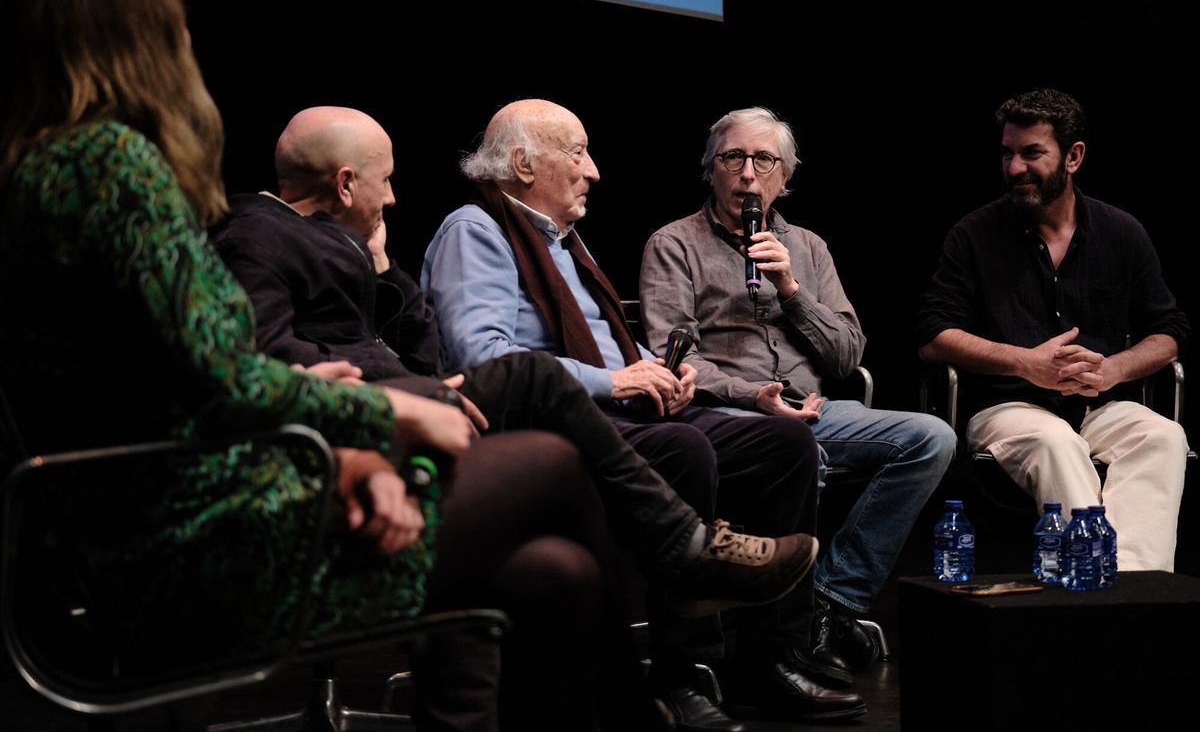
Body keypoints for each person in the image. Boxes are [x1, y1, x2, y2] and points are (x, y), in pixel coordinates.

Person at [0, 0, 646, 729]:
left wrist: (329, 417)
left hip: (164, 515)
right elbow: (222, 379)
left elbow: (167, 375)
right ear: (144, 36)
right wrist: (382, 417)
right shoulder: (112, 165)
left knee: (557, 574)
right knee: (550, 460)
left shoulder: (40, 169)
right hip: (204, 542)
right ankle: (651, 675)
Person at [210, 106, 818, 609]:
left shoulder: (350, 246)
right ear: (345, 183)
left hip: (425, 399)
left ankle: (761, 640)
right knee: (574, 398)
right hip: (383, 419)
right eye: (386, 180)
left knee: (781, 445)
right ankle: (680, 607)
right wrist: (373, 392)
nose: (395, 197)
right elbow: (264, 350)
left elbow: (422, 354)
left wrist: (383, 268)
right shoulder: (260, 234)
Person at [423, 99, 866, 729]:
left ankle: (772, 659)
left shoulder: (562, 243)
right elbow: (487, 359)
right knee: (686, 450)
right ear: (523, 163)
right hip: (549, 426)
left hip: (623, 407)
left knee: (781, 445)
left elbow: (616, 349)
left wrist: (664, 371)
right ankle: (683, 672)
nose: (595, 170)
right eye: (577, 152)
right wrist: (617, 378)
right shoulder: (477, 230)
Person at [639, 106, 956, 684]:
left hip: (818, 410)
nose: (748, 174)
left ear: (786, 176)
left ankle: (830, 604)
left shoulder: (807, 246)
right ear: (710, 170)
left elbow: (846, 355)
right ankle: (780, 641)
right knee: (798, 451)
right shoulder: (673, 243)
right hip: (728, 415)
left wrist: (790, 288)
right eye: (733, 157)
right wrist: (752, 393)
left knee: (931, 437)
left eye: (765, 160)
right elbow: (671, 355)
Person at [917, 88, 1190, 572]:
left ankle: (1133, 590)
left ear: (1074, 157)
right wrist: (1026, 362)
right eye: (1008, 153)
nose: (1015, 167)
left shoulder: (1121, 232)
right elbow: (935, 336)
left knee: (1164, 436)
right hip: (1007, 407)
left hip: (1096, 403)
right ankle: (1094, 583)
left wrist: (1113, 369)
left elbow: (1169, 330)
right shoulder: (974, 234)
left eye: (1032, 153)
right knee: (1055, 442)